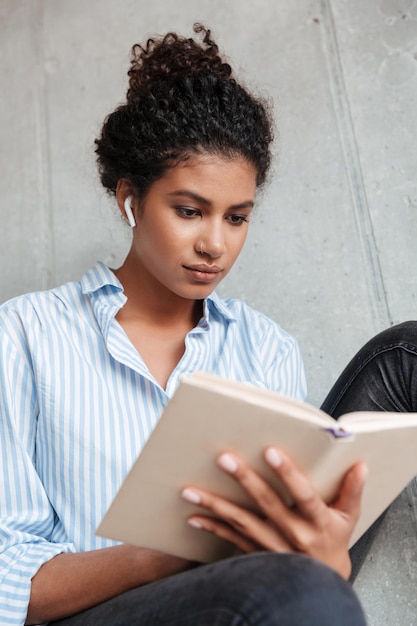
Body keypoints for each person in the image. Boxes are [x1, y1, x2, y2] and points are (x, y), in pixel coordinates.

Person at [0, 22, 416, 626]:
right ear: (130, 199)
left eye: (238, 217)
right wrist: (163, 558)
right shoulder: (26, 335)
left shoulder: (266, 348)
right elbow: (8, 581)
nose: (215, 245)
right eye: (190, 211)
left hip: (255, 600)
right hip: (91, 615)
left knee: (407, 356)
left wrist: (328, 557)